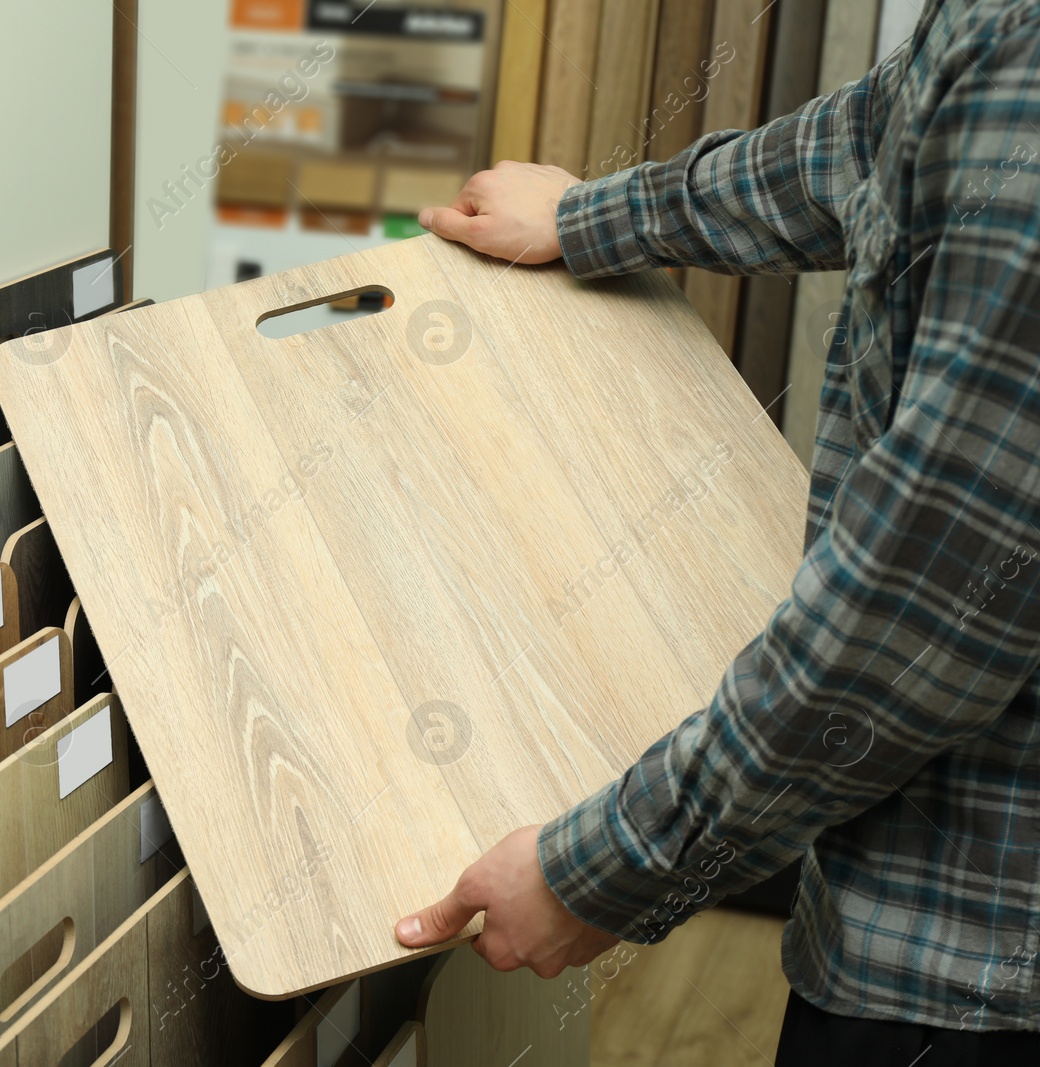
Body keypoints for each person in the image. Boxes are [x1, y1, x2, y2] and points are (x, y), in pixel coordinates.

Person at [395, 1, 1040, 1062]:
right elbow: (882, 139)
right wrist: (597, 215)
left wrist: (603, 867)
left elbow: (915, 619)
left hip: (967, 973)